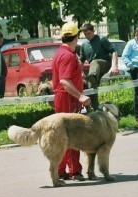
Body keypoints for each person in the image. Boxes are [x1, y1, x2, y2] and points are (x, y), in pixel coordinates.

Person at [52, 23, 91, 182]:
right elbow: (64, 81)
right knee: (71, 135)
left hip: (65, 99)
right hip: (68, 99)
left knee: (63, 136)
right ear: (75, 37)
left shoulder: (62, 53)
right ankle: (75, 170)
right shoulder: (67, 55)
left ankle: (61, 171)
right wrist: (80, 96)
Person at [79, 23, 119, 110]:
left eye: (88, 33)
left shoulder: (101, 39)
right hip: (94, 69)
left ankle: (92, 78)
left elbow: (114, 51)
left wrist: (115, 66)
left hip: (105, 63)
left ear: (94, 31)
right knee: (88, 85)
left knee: (94, 62)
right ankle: (94, 109)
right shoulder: (84, 45)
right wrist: (80, 73)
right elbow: (81, 61)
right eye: (85, 34)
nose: (87, 36)